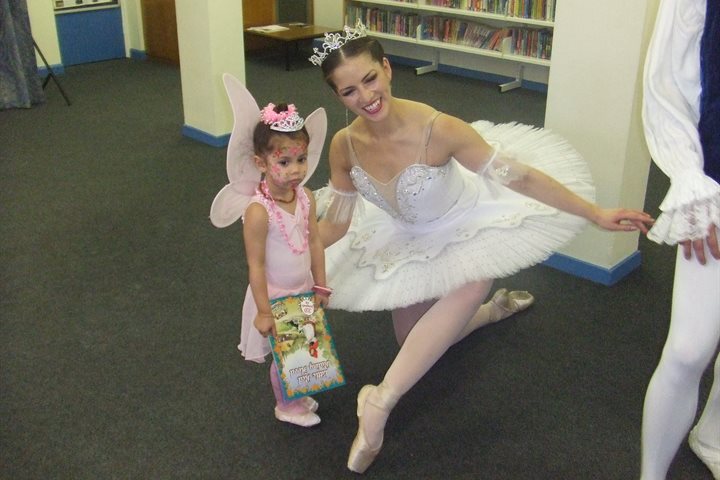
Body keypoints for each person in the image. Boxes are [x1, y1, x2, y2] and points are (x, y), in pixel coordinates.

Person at [309, 22, 655, 473]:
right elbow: (337, 220)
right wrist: (288, 256)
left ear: (388, 68)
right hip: (407, 235)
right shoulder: (344, 146)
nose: (366, 96)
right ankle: (492, 313)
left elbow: (521, 176)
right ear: (338, 97)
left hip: (465, 223)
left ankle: (379, 404)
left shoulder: (440, 129)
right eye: (350, 91)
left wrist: (593, 212)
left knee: (466, 288)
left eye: (370, 78)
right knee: (413, 342)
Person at [210, 74, 330, 427]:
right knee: (285, 355)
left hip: (303, 287)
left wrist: (320, 283)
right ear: (261, 163)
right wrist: (263, 311)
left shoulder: (306, 197)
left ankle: (296, 392)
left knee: (303, 350)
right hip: (275, 295)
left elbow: (315, 241)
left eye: (302, 159)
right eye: (284, 162)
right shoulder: (258, 211)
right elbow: (256, 266)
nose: (296, 171)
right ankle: (285, 406)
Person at [640, 0, 720, 478]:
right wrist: (693, 186)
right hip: (715, 188)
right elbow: (668, 84)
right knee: (690, 346)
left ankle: (712, 433)